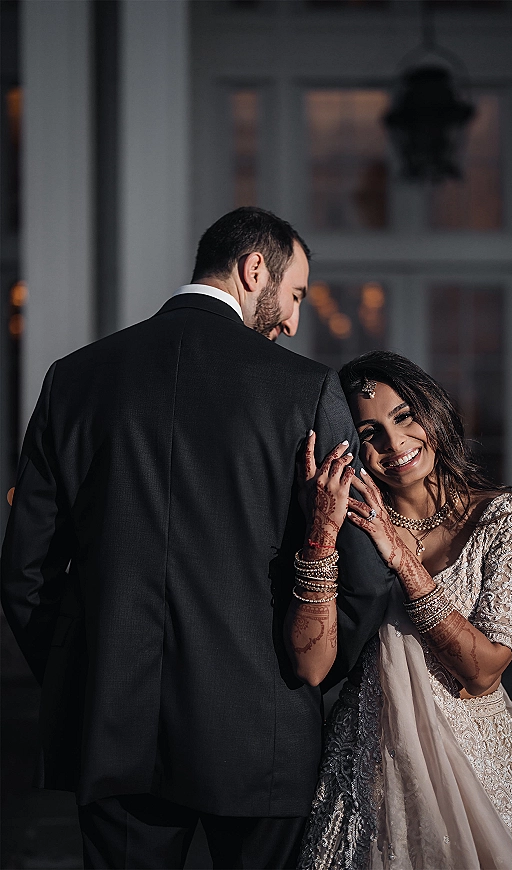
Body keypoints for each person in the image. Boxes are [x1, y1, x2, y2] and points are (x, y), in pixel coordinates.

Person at [1, 209, 394, 870]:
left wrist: (89, 675)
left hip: (115, 731)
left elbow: (24, 572)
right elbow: (364, 569)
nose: (294, 322)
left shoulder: (73, 379)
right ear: (252, 269)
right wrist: (308, 678)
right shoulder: (306, 388)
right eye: (295, 295)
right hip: (263, 732)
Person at [289, 351, 512, 870]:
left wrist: (405, 564)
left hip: (477, 770)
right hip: (367, 770)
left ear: (433, 409)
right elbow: (311, 668)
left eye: (404, 416)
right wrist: (322, 533)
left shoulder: (506, 520)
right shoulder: (351, 526)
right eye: (370, 432)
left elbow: (483, 672)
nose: (395, 443)